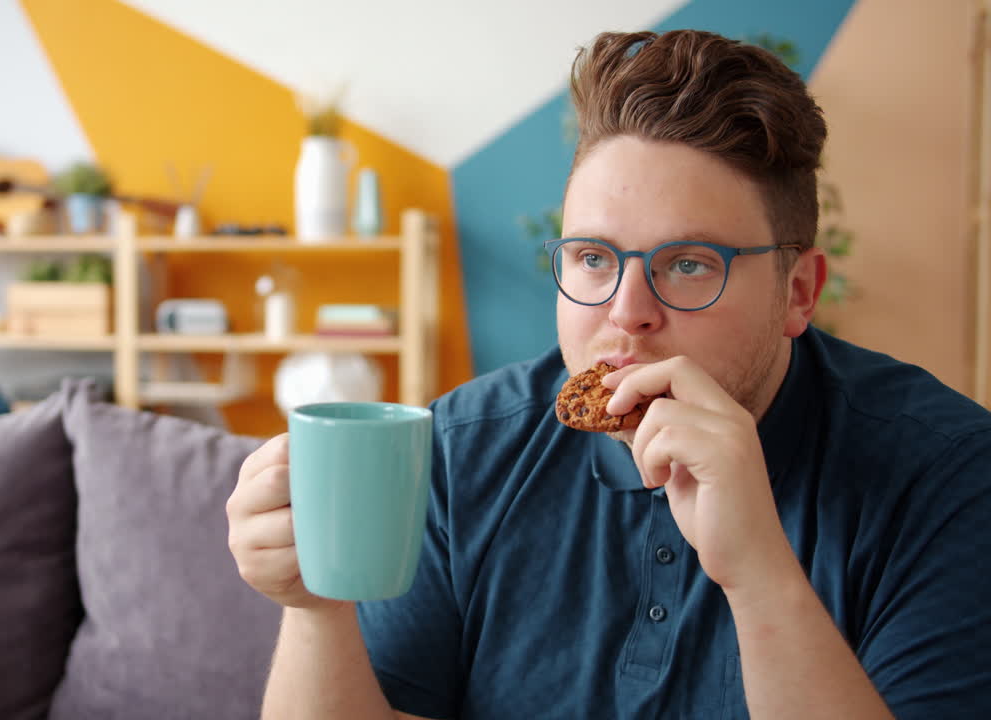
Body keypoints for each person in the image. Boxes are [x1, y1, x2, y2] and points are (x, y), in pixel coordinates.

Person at [226, 29, 991, 719]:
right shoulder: (462, 452)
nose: (627, 313)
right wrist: (316, 607)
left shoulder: (949, 476)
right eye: (593, 259)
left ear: (798, 292)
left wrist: (759, 575)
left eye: (689, 265)